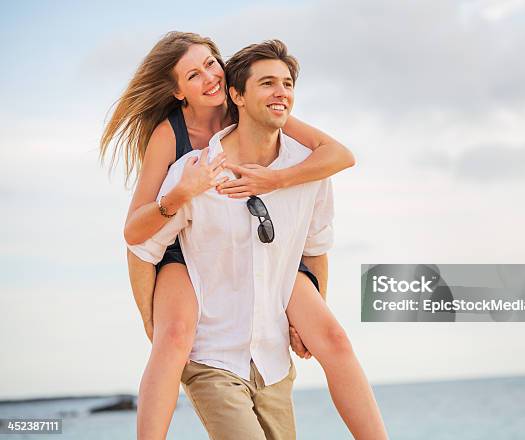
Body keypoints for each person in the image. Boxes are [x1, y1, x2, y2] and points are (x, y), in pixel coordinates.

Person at [101, 33, 386, 439]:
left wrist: (277, 179)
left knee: (333, 337)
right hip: (183, 243)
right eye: (194, 75)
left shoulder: (258, 110)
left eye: (212, 63)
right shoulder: (173, 138)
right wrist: (150, 318)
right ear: (177, 91)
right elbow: (136, 235)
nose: (210, 78)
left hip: (270, 247)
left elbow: (338, 156)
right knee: (174, 335)